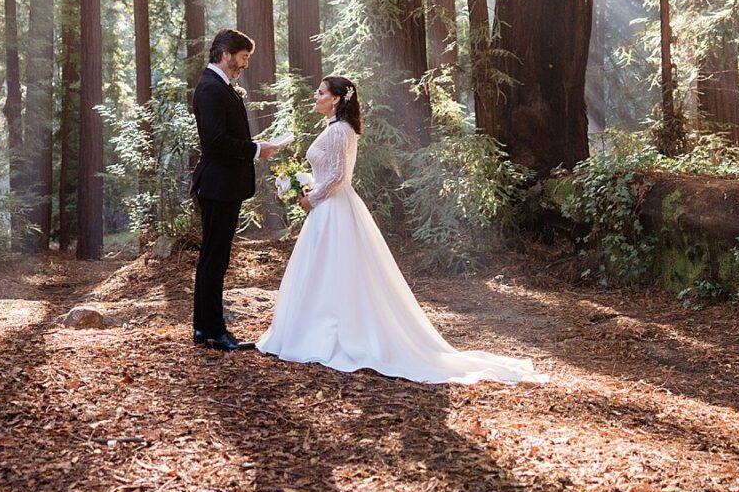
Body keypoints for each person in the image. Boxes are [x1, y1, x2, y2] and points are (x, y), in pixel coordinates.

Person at [257, 76, 547, 385]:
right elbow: (328, 171)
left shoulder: (341, 130)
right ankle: (316, 327)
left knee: (336, 268)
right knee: (323, 269)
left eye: (321, 92)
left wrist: (311, 197)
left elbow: (340, 175)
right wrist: (304, 185)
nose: (315, 96)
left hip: (332, 207)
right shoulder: (332, 128)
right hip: (326, 208)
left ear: (337, 99)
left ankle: (340, 333)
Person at [189, 28, 283, 352]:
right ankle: (213, 330)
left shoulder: (220, 86)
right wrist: (257, 149)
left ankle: (204, 328)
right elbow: (215, 141)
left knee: (213, 259)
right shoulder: (211, 88)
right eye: (243, 58)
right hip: (217, 185)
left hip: (222, 185)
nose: (244, 64)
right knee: (214, 260)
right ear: (226, 54)